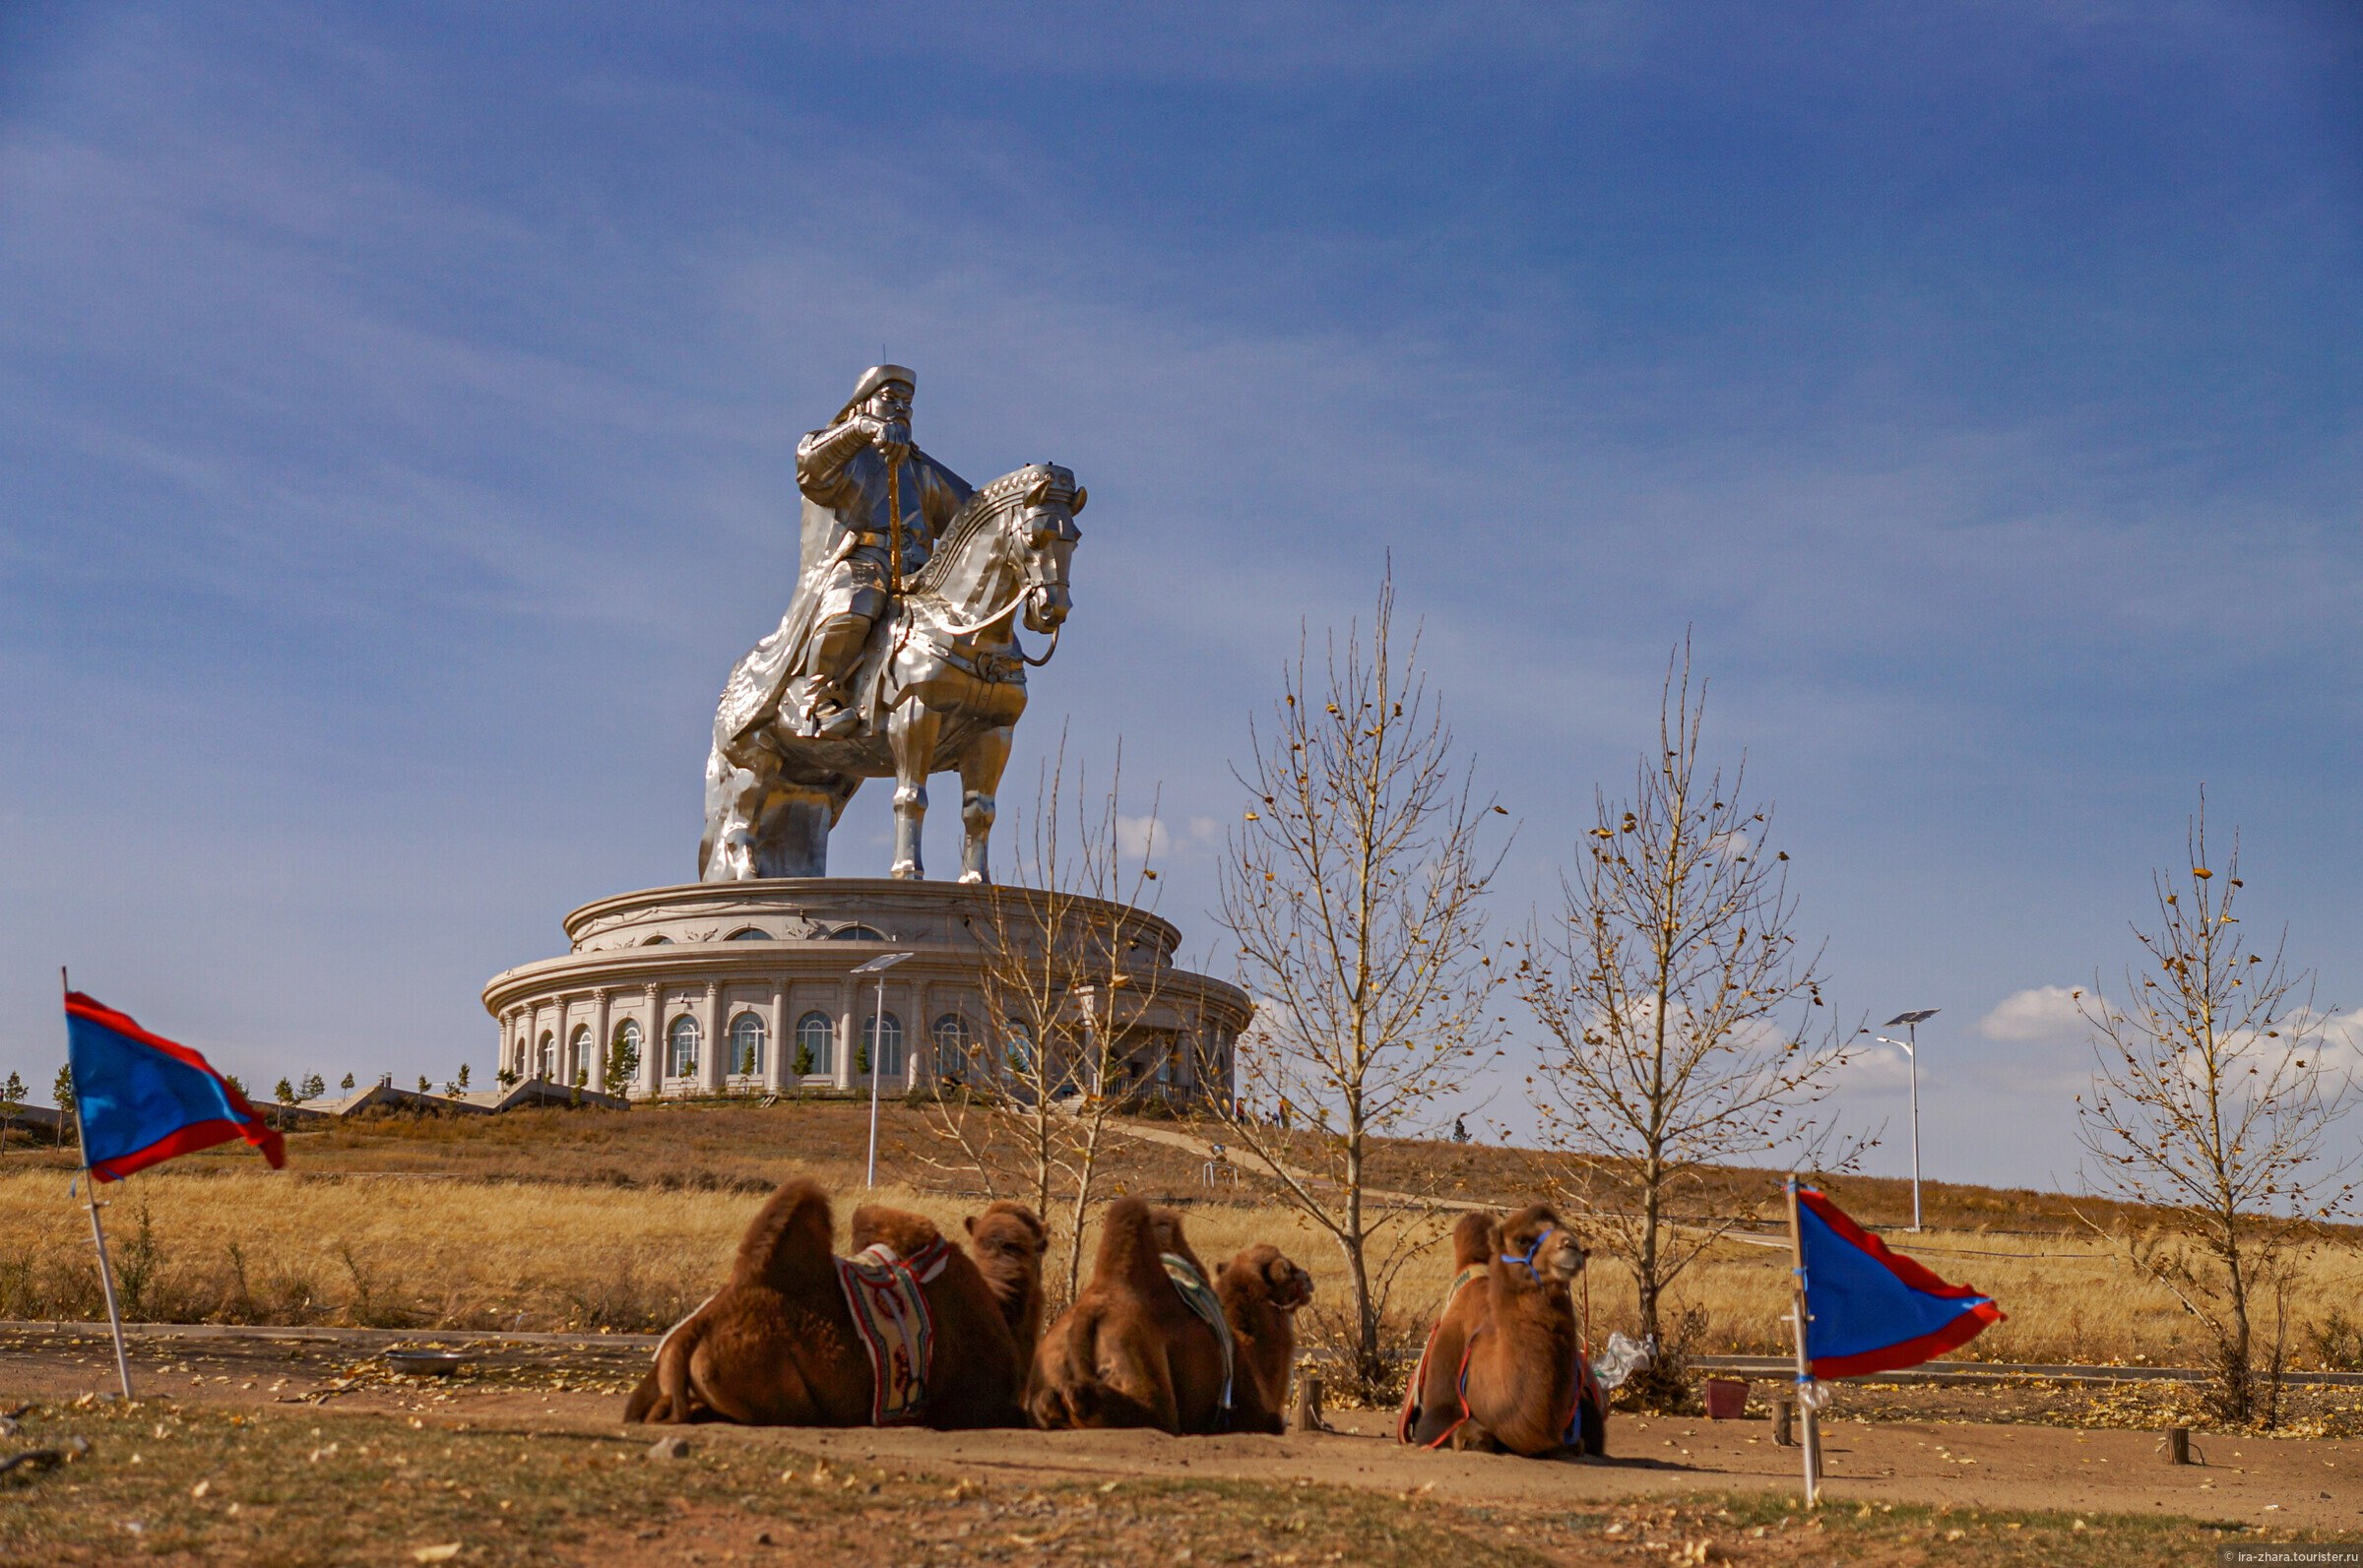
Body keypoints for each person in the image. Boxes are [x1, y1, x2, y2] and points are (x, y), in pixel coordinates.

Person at [788, 365, 973, 734]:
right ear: (863, 404)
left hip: (921, 571)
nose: (901, 408)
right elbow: (810, 468)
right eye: (890, 399)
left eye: (907, 403)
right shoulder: (843, 453)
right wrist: (859, 430)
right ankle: (818, 698)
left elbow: (974, 514)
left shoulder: (921, 469)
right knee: (856, 602)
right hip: (863, 560)